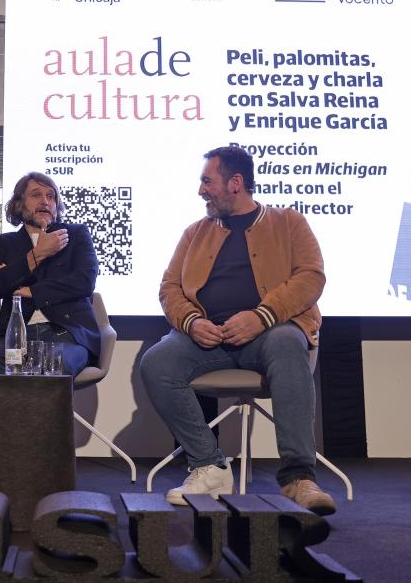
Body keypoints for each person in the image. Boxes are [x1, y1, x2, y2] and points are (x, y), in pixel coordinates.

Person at [139, 145, 335, 515]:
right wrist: (192, 322)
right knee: (157, 362)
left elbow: (311, 277)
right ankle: (209, 465)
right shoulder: (194, 233)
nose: (201, 191)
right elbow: (169, 288)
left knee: (288, 342)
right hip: (206, 339)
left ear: (236, 182)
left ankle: (298, 478)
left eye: (207, 181)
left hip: (270, 332)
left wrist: (262, 316)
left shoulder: (288, 222)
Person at [0, 172, 100, 376]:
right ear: (20, 204)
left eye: (51, 196)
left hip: (66, 332)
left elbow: (83, 282)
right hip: (16, 335)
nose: (45, 201)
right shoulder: (3, 243)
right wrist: (37, 255)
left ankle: (46, 410)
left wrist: (29, 290)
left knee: (52, 365)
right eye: (36, 195)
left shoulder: (75, 234)